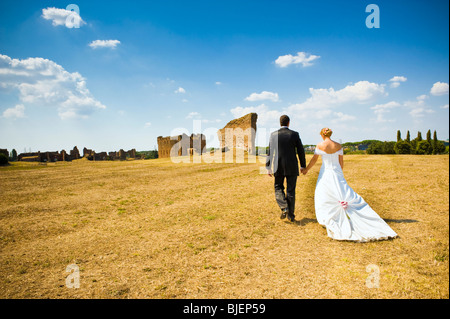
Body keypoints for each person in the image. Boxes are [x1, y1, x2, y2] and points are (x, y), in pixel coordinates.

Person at [302, 127, 397, 242]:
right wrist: (339, 173)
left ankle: (328, 215)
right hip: (336, 171)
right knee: (342, 191)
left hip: (326, 171)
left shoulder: (320, 145)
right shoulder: (338, 146)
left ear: (322, 134)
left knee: (324, 192)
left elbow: (314, 160)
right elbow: (341, 163)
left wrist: (306, 169)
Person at [266, 115, 306, 222]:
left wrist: (268, 167)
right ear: (289, 122)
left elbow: (270, 152)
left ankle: (284, 207)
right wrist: (303, 165)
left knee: (278, 187)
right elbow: (301, 151)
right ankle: (291, 216)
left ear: (280, 123)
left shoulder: (273, 135)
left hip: (278, 166)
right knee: (291, 191)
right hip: (292, 166)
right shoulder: (294, 134)